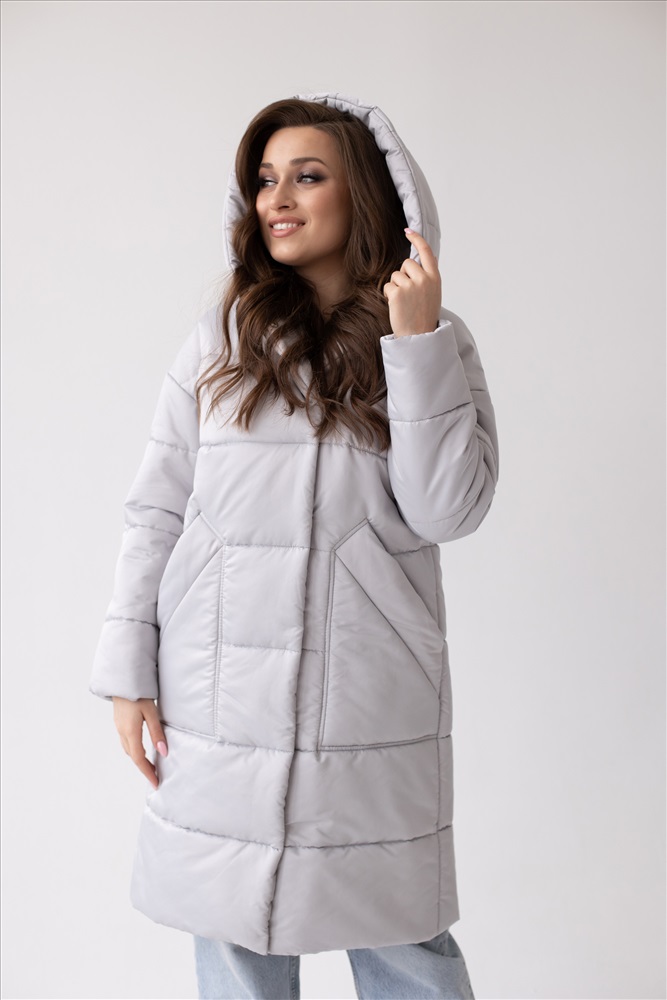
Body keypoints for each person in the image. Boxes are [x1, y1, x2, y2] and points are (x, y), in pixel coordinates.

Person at [89, 92, 498, 1000]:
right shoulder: (222, 338)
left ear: (365, 196)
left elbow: (448, 510)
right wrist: (128, 670)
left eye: (306, 176)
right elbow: (156, 510)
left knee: (403, 943)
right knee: (234, 941)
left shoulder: (433, 341)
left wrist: (415, 344)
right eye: (265, 179)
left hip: (364, 705)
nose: (276, 197)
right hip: (216, 697)